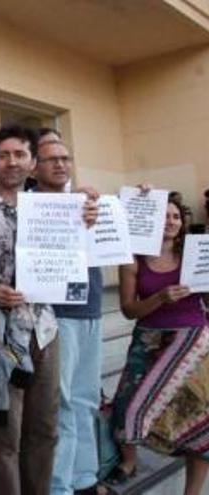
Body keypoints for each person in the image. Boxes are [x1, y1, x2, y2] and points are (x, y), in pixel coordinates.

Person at [0, 124, 97, 495]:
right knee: (6, 435)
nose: (12, 162)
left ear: (33, 162)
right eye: (4, 155)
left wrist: (89, 215)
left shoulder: (58, 211)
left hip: (45, 331)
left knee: (45, 429)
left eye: (20, 154)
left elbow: (84, 245)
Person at [107, 194, 209, 495]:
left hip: (192, 338)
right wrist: (159, 298)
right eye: (164, 216)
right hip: (149, 338)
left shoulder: (196, 253)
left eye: (176, 216)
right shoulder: (132, 258)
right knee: (126, 411)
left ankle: (192, 491)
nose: (171, 222)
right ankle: (129, 462)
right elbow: (128, 309)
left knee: (199, 419)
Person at [35, 140, 104, 495]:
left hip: (91, 306)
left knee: (85, 399)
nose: (60, 164)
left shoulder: (86, 204)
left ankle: (85, 479)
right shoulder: (32, 208)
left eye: (65, 158)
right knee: (60, 404)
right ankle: (60, 486)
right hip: (57, 313)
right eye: (51, 159)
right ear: (35, 166)